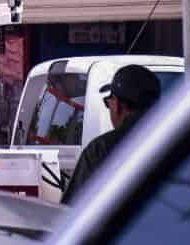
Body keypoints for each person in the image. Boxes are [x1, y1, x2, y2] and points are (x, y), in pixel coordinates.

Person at [61, 64, 163, 204]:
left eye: (108, 103)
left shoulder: (100, 149)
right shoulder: (181, 143)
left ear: (118, 105)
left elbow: (70, 212)